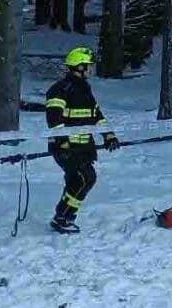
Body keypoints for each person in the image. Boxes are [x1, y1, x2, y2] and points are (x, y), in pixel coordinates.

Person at [45, 47, 118, 235]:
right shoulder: (61, 89)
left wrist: (108, 135)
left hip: (84, 147)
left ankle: (65, 217)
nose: (91, 70)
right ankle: (62, 216)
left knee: (78, 181)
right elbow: (54, 118)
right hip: (66, 148)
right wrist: (62, 143)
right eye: (88, 66)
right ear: (80, 66)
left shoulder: (85, 89)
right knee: (85, 179)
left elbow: (97, 115)